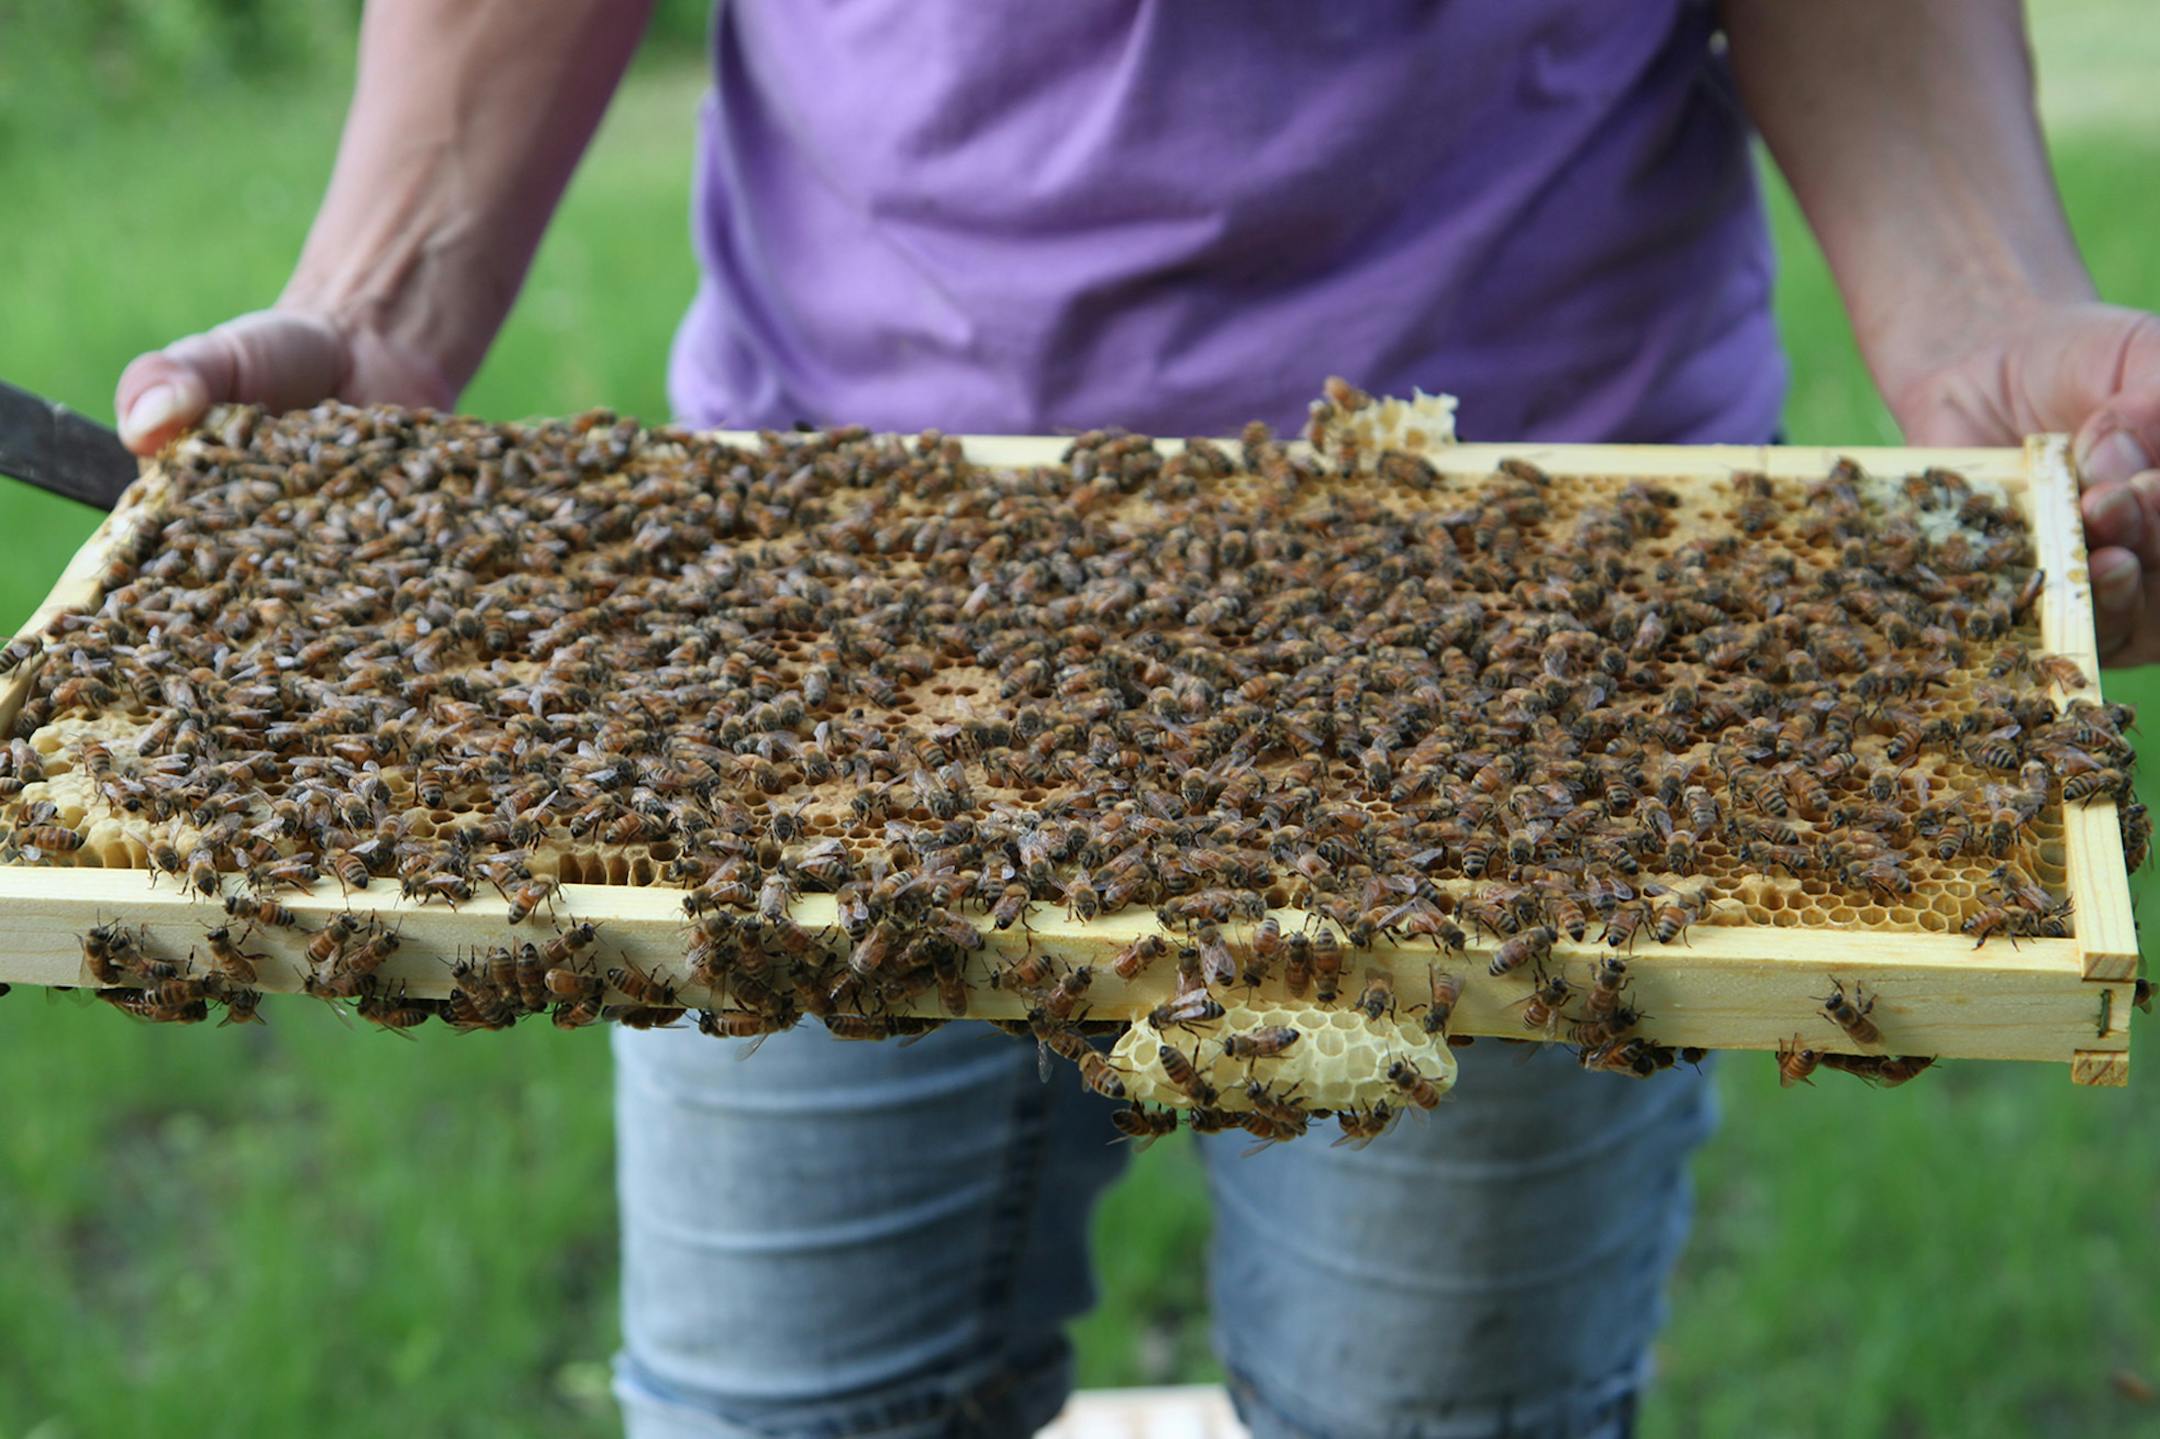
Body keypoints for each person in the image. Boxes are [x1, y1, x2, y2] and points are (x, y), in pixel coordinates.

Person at [114, 5, 2160, 1436]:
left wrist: (1984, 308)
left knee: (1432, 1414)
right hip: (815, 623)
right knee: (777, 1410)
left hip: (1546, 644)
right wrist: (381, 306)